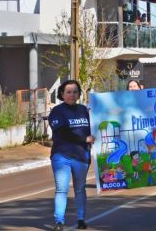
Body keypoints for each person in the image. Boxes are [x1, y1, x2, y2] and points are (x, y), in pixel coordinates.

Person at [48, 80, 95, 231]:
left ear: (79, 94)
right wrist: (84, 139)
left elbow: (95, 128)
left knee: (80, 189)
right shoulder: (57, 111)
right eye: (68, 92)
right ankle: (59, 222)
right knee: (62, 189)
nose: (72, 95)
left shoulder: (84, 110)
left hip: (81, 156)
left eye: (75, 92)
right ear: (62, 94)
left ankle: (81, 219)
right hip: (62, 156)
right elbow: (63, 132)